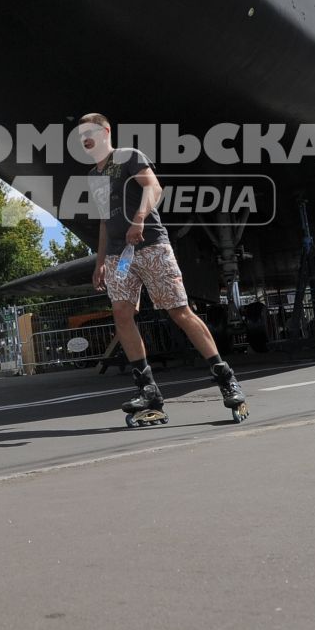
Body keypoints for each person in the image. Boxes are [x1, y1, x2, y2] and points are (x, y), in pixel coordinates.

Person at [76, 114, 248, 425]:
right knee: (122, 313)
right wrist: (100, 261)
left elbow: (154, 188)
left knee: (179, 310)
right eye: (80, 136)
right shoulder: (93, 175)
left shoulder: (128, 156)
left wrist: (140, 218)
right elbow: (104, 221)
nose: (85, 139)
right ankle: (149, 391)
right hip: (120, 256)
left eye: (89, 132)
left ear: (105, 132)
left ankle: (226, 378)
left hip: (151, 244)